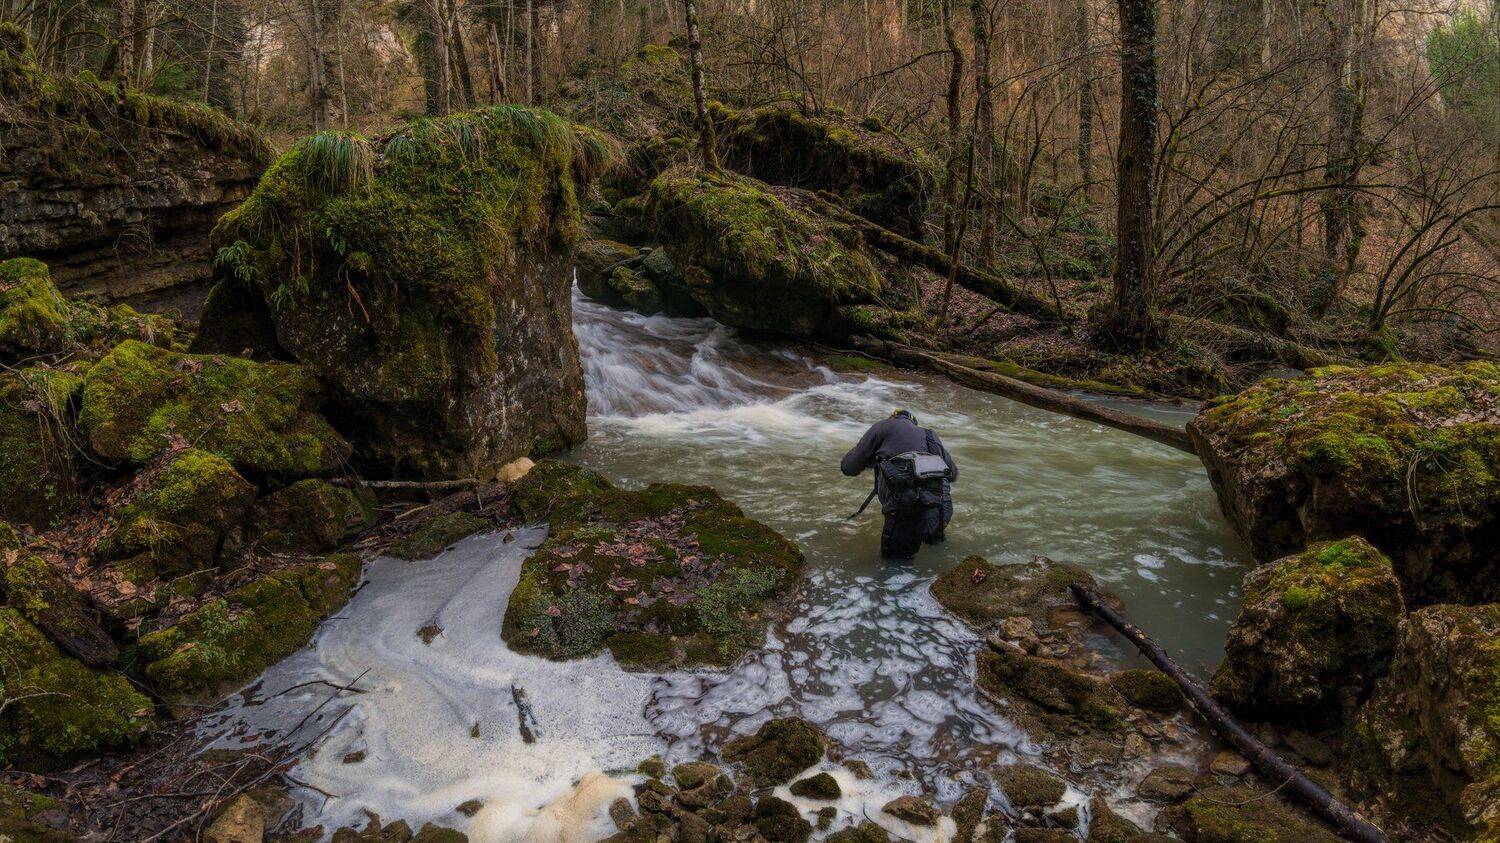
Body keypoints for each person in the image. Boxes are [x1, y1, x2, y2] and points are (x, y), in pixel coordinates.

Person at [841, 409, 958, 559]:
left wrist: (871, 457)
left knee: (895, 566)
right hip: (942, 509)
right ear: (913, 422)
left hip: (907, 508)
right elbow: (952, 474)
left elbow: (848, 467)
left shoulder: (883, 426)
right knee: (938, 557)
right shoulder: (930, 434)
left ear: (893, 417)